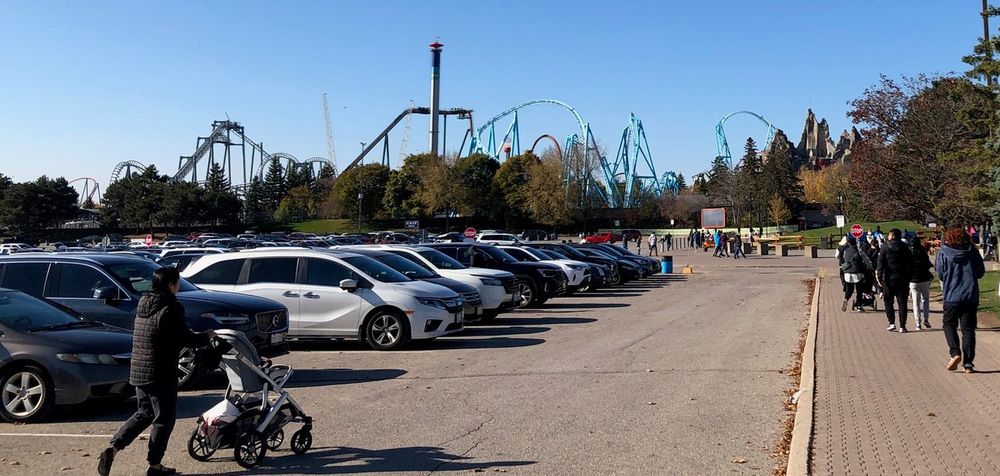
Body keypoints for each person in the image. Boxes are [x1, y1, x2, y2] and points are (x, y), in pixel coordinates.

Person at [99, 267, 214, 476]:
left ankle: (113, 448)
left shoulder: (144, 303)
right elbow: (182, 337)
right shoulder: (171, 307)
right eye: (177, 282)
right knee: (164, 419)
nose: (178, 286)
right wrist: (206, 337)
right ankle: (155, 465)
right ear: (171, 285)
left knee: (144, 412)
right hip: (161, 371)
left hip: (139, 370)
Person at [936, 228, 985, 373]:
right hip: (970, 295)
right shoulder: (972, 252)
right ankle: (968, 363)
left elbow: (940, 274)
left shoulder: (943, 253)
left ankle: (955, 352)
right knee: (968, 329)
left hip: (951, 295)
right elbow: (980, 272)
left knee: (949, 324)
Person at [876, 228, 913, 333]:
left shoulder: (885, 247)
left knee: (888, 302)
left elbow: (880, 263)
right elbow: (910, 263)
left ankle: (892, 323)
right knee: (902, 303)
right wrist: (909, 276)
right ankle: (903, 326)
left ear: (892, 236)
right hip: (902, 279)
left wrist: (879, 277)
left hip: (889, 279)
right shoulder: (905, 247)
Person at [909, 236, 933, 330]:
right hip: (924, 278)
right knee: (925, 299)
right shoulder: (923, 252)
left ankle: (917, 323)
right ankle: (926, 318)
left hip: (913, 279)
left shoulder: (908, 253)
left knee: (916, 302)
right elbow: (928, 264)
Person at [840, 236, 866, 311]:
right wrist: (870, 267)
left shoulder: (845, 251)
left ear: (848, 243)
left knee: (849, 289)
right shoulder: (859, 251)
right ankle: (859, 306)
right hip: (857, 273)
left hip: (847, 272)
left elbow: (844, 260)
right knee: (859, 290)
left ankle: (846, 299)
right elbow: (866, 260)